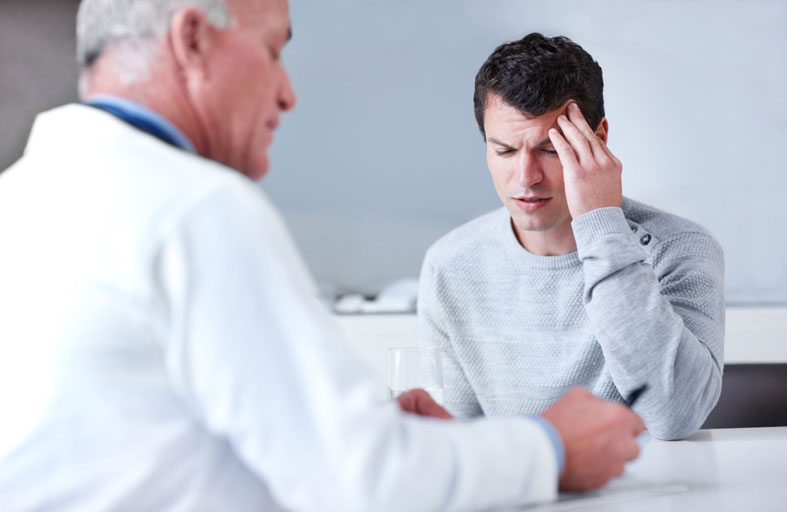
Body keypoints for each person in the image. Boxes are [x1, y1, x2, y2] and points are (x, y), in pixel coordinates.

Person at [0, 3, 644, 511]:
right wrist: (551, 448)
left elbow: (139, 453)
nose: (287, 93)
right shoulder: (195, 208)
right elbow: (362, 482)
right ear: (192, 40)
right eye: (272, 50)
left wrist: (352, 429)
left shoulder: (24, 194)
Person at [418, 33, 725, 441]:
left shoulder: (678, 248)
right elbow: (454, 441)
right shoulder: (450, 265)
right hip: (519, 481)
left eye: (549, 150)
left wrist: (602, 223)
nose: (526, 178)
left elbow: (674, 415)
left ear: (598, 139)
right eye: (505, 151)